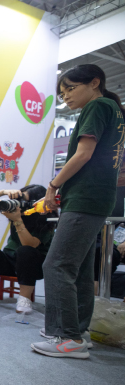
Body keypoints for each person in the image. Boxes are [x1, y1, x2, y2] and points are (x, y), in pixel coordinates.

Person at [32, 64, 125, 359]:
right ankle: (79, 331)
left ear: (94, 82)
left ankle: (67, 336)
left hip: (85, 199)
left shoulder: (97, 106)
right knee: (81, 268)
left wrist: (53, 185)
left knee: (56, 265)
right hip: (95, 198)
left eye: (70, 89)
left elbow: (83, 154)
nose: (67, 97)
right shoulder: (113, 109)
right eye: (62, 94)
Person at [0, 185, 56, 312]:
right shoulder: (15, 209)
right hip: (10, 261)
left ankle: (25, 299)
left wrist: (17, 220)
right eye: (19, 200)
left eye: (24, 201)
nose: (20, 204)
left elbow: (29, 244)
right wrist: (4, 191)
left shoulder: (47, 220)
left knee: (25, 251)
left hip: (33, 267)